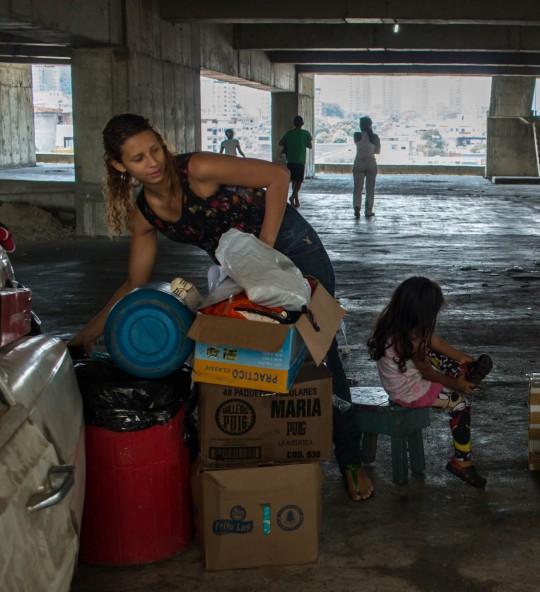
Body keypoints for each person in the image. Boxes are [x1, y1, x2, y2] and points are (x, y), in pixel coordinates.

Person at [69, 113, 373, 502]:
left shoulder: (197, 168)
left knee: (321, 353)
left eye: (155, 149)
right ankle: (274, 452)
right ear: (118, 166)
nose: (153, 162)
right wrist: (84, 337)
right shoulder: (145, 214)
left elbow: (278, 177)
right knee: (248, 355)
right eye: (138, 159)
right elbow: (134, 284)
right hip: (247, 272)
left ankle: (350, 461)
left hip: (296, 253)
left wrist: (261, 251)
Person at [367, 276, 493, 488]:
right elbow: (429, 374)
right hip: (409, 391)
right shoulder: (411, 342)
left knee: (433, 351)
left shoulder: (396, 324)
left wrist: (464, 358)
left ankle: (463, 370)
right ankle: (461, 462)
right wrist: (457, 387)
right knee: (460, 403)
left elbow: (434, 341)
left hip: (404, 375)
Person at [278, 115, 313, 208]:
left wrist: (290, 143)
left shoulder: (289, 133)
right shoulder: (306, 133)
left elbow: (280, 142)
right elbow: (310, 146)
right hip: (300, 160)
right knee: (300, 180)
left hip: (290, 160)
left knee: (294, 181)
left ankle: (296, 200)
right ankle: (293, 197)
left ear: (294, 124)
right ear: (302, 123)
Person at [352, 116, 380, 218]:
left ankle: (357, 208)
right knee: (370, 188)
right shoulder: (375, 137)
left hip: (359, 162)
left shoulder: (356, 135)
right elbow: (377, 151)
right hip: (371, 162)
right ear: (370, 125)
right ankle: (368, 211)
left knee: (357, 187)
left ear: (360, 125)